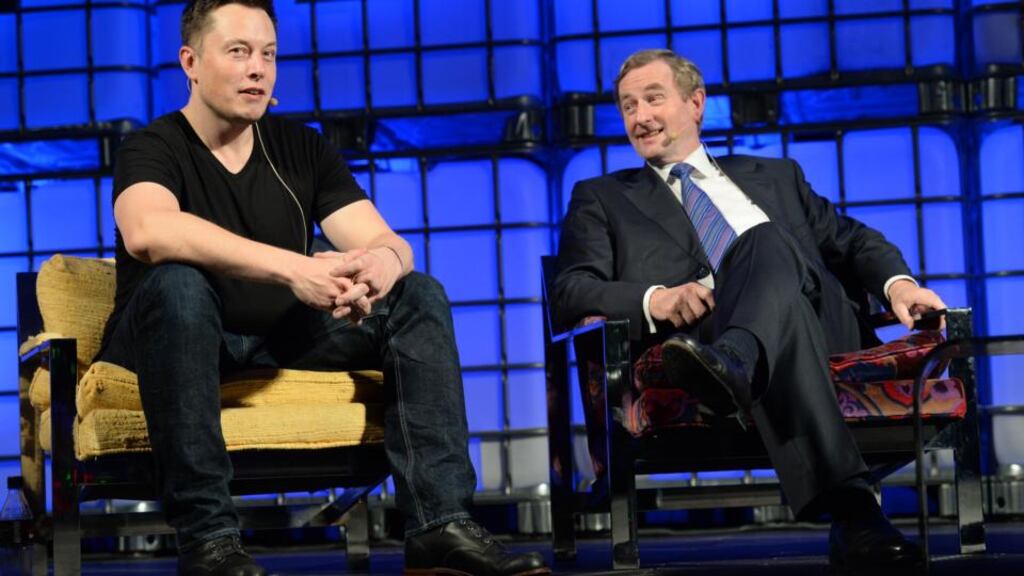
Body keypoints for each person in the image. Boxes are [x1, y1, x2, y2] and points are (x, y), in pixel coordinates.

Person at [97, 1, 550, 575]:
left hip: (276, 335)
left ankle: (439, 525)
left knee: (419, 294)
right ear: (190, 61)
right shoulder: (153, 145)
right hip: (172, 336)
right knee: (180, 285)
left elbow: (386, 240)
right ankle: (208, 540)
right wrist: (296, 267)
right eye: (238, 52)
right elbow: (148, 231)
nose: (257, 68)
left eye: (268, 54)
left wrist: (382, 266)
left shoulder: (301, 148)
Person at [553, 48, 947, 573]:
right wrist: (657, 299)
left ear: (696, 104)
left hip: (814, 322)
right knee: (771, 272)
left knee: (765, 241)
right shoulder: (602, 197)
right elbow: (572, 290)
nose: (640, 117)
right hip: (705, 331)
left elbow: (851, 241)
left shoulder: (776, 175)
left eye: (653, 99)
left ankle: (735, 362)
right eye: (628, 106)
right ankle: (855, 514)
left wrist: (899, 285)